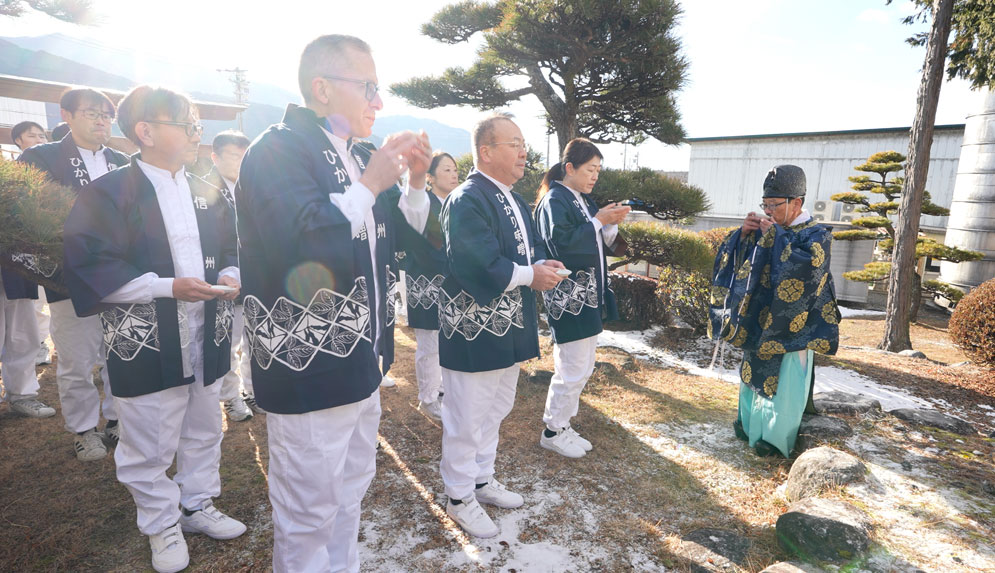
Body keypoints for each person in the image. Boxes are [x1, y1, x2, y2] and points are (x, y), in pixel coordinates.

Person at [235, 35, 431, 572]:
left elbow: (410, 239)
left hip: (362, 358)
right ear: (321, 89)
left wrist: (413, 180)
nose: (378, 101)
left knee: (349, 491)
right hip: (309, 362)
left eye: (378, 87)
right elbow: (297, 240)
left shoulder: (359, 155)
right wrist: (370, 184)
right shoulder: (276, 150)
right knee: (307, 510)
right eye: (367, 86)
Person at [62, 85, 245, 573]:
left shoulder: (205, 188)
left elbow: (231, 247)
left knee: (206, 425)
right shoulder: (108, 193)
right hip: (146, 333)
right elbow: (91, 264)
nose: (195, 135)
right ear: (145, 131)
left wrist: (230, 274)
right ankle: (159, 522)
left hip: (207, 328)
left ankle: (196, 502)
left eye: (196, 126)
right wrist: (167, 287)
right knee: (149, 438)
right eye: (187, 125)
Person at [437, 112, 565, 538]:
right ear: (486, 151)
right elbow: (476, 262)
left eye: (523, 143)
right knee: (467, 416)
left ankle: (481, 479)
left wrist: (538, 265)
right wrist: (531, 275)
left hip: (509, 327)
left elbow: (517, 255)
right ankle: (458, 496)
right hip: (475, 330)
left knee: (496, 409)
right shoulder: (468, 197)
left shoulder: (507, 195)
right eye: (514, 143)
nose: (523, 151)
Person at [18, 88, 129, 461]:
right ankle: (84, 429)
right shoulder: (41, 157)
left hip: (121, 273)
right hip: (69, 273)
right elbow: (31, 218)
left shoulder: (122, 160)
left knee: (120, 353)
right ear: (66, 115)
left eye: (107, 115)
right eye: (92, 113)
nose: (101, 121)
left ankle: (118, 420)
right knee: (77, 359)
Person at [708, 164, 841, 458]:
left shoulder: (817, 234)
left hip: (795, 325)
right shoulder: (772, 228)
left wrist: (777, 237)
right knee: (752, 369)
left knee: (786, 380)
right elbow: (743, 262)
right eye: (765, 205)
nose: (768, 211)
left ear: (797, 203)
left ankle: (776, 437)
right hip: (761, 317)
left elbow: (807, 269)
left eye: (774, 205)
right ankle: (749, 425)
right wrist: (743, 236)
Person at [533, 138, 630, 458]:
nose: (595, 177)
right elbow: (563, 246)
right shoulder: (554, 201)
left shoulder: (583, 200)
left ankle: (562, 424)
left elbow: (601, 243)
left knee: (583, 366)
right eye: (590, 169)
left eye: (599, 171)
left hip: (588, 295)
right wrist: (600, 221)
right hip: (569, 298)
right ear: (570, 167)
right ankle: (552, 429)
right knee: (572, 367)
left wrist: (609, 224)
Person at [393, 151, 460, 420]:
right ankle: (428, 397)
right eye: (446, 170)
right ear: (429, 177)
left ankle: (441, 389)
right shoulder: (424, 203)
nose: (454, 174)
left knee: (447, 340)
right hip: (427, 281)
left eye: (455, 169)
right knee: (429, 342)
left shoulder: (456, 203)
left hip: (451, 282)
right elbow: (426, 247)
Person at [202, 129, 260, 421]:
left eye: (245, 156)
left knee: (255, 338)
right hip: (226, 275)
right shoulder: (204, 189)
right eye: (234, 156)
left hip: (256, 272)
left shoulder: (253, 186)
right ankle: (231, 396)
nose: (241, 162)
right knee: (231, 339)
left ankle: (253, 390)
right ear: (215, 156)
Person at [10, 120, 53, 365]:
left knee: (51, 299)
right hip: (23, 246)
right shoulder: (13, 171)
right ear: (18, 140)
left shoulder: (51, 170)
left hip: (48, 244)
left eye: (42, 136)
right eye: (32, 135)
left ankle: (42, 342)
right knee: (33, 301)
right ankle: (36, 344)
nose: (38, 140)